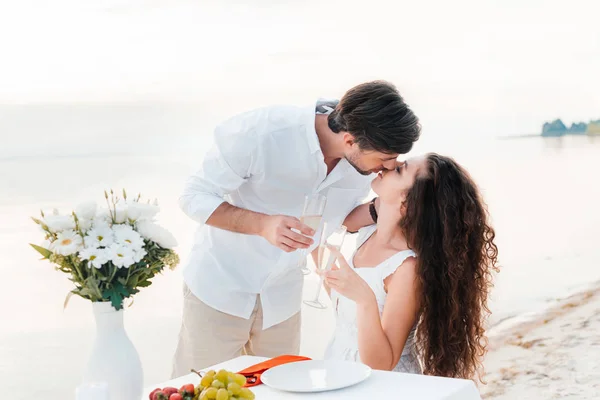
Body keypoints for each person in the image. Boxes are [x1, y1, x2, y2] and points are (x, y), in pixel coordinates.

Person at [171, 81, 421, 377]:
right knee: (201, 390)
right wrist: (262, 224)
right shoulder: (261, 133)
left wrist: (394, 208)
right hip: (220, 289)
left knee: (280, 389)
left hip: (283, 298)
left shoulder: (361, 162)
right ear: (351, 141)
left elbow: (342, 217)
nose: (389, 167)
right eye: (385, 158)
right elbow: (193, 196)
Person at [321, 153, 499, 381]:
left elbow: (381, 364)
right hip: (340, 369)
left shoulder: (406, 268)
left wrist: (364, 300)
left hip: (383, 385)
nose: (389, 165)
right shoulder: (369, 233)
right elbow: (338, 220)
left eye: (400, 169)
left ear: (407, 201)